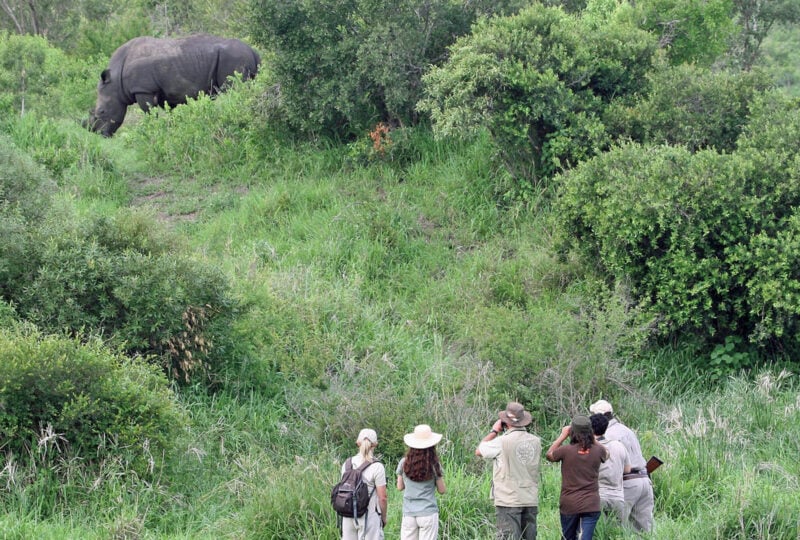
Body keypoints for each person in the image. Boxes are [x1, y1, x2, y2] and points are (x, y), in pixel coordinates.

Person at [476, 402, 541, 540]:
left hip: (508, 499)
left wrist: (494, 431)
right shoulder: (536, 441)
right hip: (530, 498)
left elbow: (479, 450)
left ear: (505, 422)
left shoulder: (502, 441)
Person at [589, 400, 654, 532]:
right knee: (644, 530)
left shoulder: (607, 435)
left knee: (617, 528)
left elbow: (610, 468)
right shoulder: (626, 429)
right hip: (644, 481)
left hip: (627, 483)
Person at [546, 415, 608, 540]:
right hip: (591, 504)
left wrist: (562, 436)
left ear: (572, 432)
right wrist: (592, 438)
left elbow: (549, 455)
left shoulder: (566, 450)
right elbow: (607, 453)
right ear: (591, 431)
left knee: (568, 537)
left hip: (570, 504)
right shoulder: (597, 451)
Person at [396, 424, 447, 540]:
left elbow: (399, 487)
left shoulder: (404, 463)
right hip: (428, 512)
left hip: (409, 513)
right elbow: (442, 490)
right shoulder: (434, 465)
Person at [341, 428, 388, 540]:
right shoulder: (377, 466)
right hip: (369, 516)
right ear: (375, 444)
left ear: (358, 443)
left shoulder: (347, 464)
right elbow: (383, 498)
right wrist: (384, 518)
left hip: (348, 514)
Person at [590, 413, 631, 524]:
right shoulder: (619, 445)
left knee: (597, 533)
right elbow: (627, 470)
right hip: (618, 497)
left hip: (597, 496)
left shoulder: (589, 448)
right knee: (618, 534)